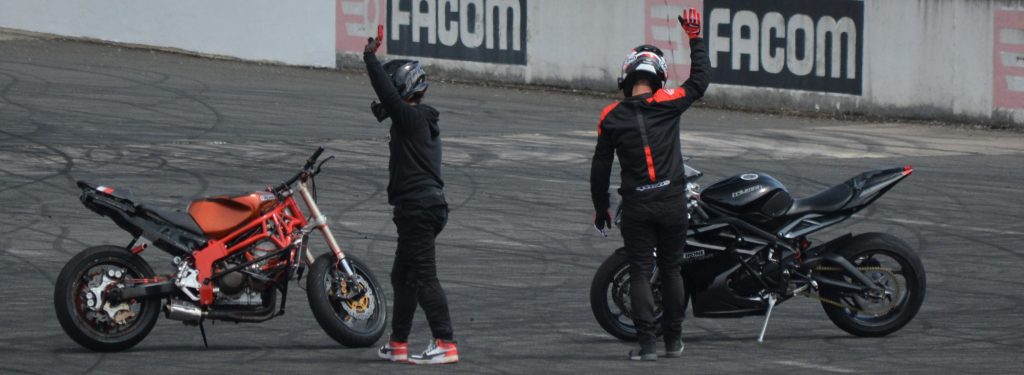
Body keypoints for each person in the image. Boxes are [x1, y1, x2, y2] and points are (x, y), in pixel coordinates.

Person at [589, 8, 709, 361]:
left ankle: (647, 347)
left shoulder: (610, 116)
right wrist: (694, 36)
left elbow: (599, 168)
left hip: (638, 206)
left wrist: (601, 207)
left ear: (627, 76)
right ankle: (674, 342)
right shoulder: (669, 102)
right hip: (672, 201)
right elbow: (699, 82)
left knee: (642, 271)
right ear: (658, 77)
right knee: (671, 269)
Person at [362, 26, 458, 365]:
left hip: (418, 209)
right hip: (420, 208)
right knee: (402, 276)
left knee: (424, 277)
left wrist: (370, 57)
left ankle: (445, 342)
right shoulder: (418, 120)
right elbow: (387, 101)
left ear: (403, 87)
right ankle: (398, 343)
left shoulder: (411, 118)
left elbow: (387, 96)